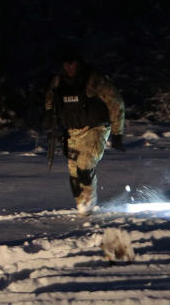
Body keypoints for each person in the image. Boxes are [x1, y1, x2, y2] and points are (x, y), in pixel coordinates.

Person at [43, 46, 125, 214]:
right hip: (72, 131)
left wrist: (117, 133)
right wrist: (49, 116)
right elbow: (50, 100)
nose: (69, 67)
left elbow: (116, 103)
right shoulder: (59, 82)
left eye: (72, 63)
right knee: (74, 175)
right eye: (66, 64)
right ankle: (83, 208)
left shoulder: (93, 80)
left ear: (78, 63)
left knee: (84, 166)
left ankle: (89, 201)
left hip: (95, 129)